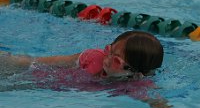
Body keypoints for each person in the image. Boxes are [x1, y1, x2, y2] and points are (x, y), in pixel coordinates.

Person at [0, 31, 163, 79]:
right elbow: (40, 62)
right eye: (108, 50)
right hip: (47, 78)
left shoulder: (135, 86)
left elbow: (159, 105)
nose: (106, 58)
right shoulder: (93, 57)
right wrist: (16, 61)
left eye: (114, 59)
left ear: (133, 70)